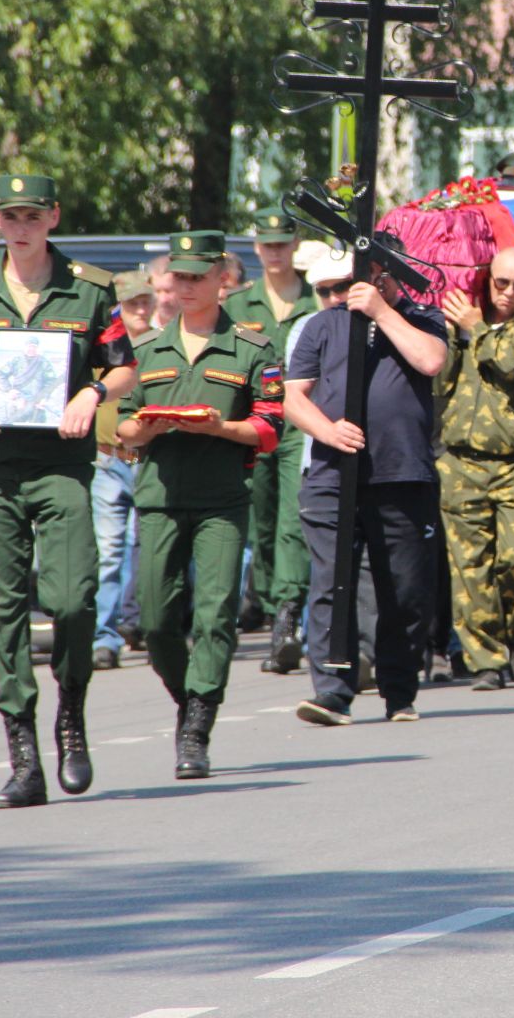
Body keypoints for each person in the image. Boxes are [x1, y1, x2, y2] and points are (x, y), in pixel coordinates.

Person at [0, 174, 136, 809]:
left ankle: (70, 713)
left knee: (75, 598)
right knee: (4, 614)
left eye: (32, 215)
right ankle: (24, 759)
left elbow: (124, 364)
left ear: (53, 217)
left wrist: (92, 393)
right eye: (10, 215)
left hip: (60, 466)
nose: (20, 225)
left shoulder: (91, 289)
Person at [116, 231, 283, 778]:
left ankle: (197, 727)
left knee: (215, 615)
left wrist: (223, 427)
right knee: (159, 620)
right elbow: (120, 428)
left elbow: (270, 427)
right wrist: (140, 430)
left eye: (196, 276)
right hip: (159, 498)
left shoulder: (252, 348)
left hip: (221, 499)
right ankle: (188, 696)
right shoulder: (144, 351)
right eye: (178, 277)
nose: (184, 286)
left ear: (222, 279)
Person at [286, 233, 449, 725]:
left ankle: (399, 691)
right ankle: (332, 690)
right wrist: (328, 431)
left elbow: (431, 360)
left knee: (403, 588)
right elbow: (294, 398)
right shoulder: (322, 325)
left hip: (403, 473)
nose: (368, 281)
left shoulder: (422, 317)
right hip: (334, 473)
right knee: (330, 582)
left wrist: (381, 312)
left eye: (379, 273)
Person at [437, 248, 514, 690]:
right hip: (461, 462)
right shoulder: (461, 320)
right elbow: (435, 376)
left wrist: (474, 328)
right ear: (487, 278)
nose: (509, 293)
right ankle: (484, 658)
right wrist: (450, 332)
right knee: (470, 567)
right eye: (501, 283)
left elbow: (508, 363)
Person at [230, 206, 316, 674]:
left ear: (294, 245)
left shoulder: (314, 298)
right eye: (267, 245)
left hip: (299, 423)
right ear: (257, 248)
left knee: (291, 522)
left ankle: (286, 617)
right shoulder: (240, 305)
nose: (276, 253)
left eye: (283, 244)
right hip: (254, 423)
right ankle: (267, 600)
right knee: (259, 524)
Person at [90, 268, 155, 669]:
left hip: (148, 461)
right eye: (133, 303)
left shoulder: (161, 345)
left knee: (149, 551)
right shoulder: (103, 349)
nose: (142, 309)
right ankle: (104, 637)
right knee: (110, 552)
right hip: (107, 460)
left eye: (146, 300)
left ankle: (152, 626)